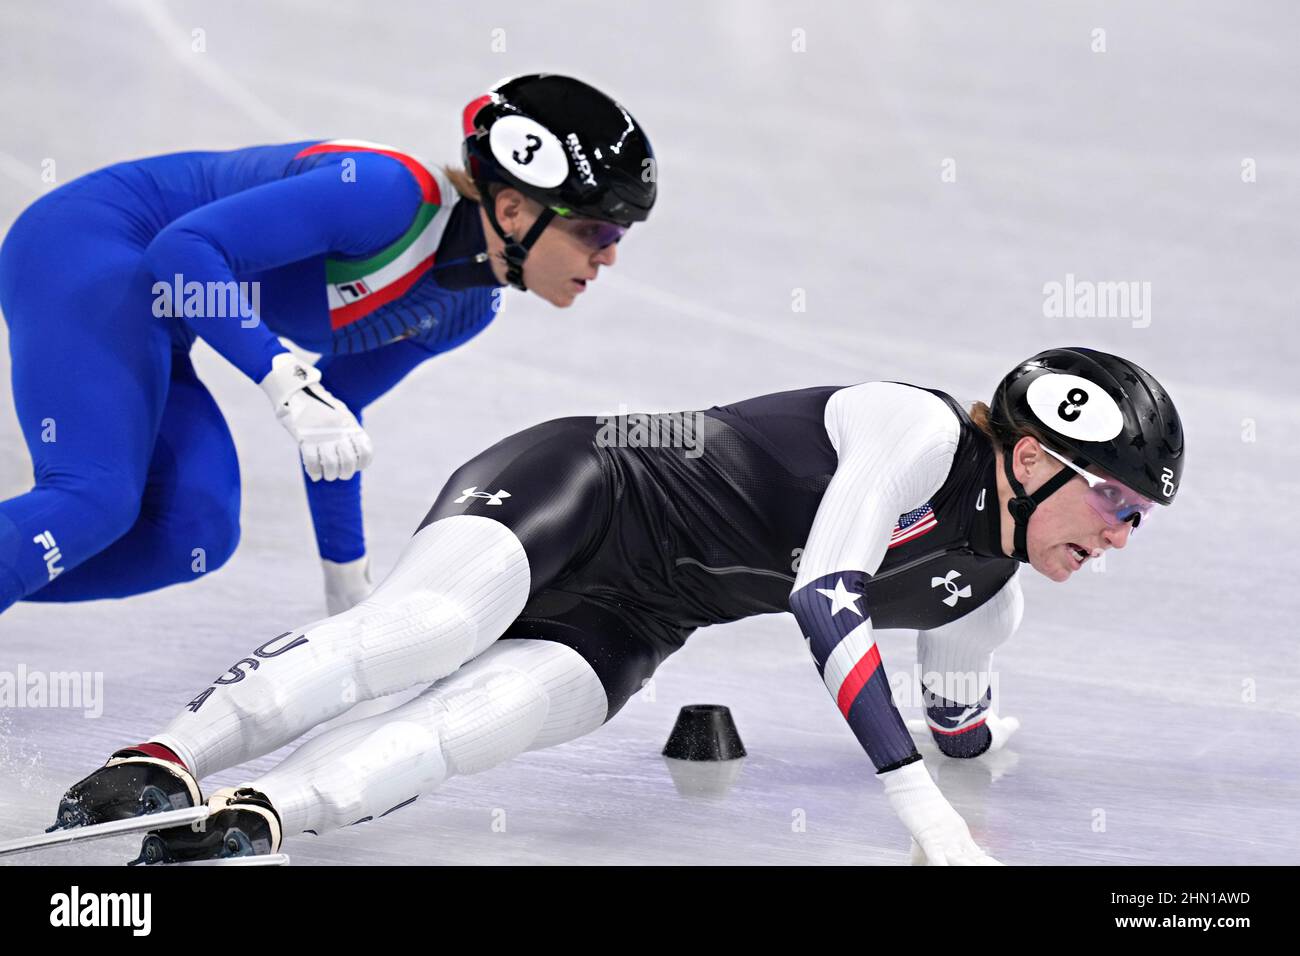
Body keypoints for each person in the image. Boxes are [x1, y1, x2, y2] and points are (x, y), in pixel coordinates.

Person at [52, 347, 1184, 865]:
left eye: (1140, 516)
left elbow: (962, 722)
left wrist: (968, 747)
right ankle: (166, 751)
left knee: (471, 723)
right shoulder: (918, 427)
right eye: (1118, 500)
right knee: (425, 633)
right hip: (586, 483)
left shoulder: (987, 598)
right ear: (1032, 456)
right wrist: (925, 819)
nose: (1122, 535)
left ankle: (255, 817)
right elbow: (825, 593)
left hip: (644, 612)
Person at [0, 73, 656, 616]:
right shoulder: (388, 197)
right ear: (513, 209)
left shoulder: (464, 309)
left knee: (194, 531)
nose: (608, 258)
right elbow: (183, 249)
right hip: (94, 244)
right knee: (97, 498)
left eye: (619, 238)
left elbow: (336, 417)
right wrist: (282, 379)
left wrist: (349, 592)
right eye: (597, 231)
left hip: (161, 307)